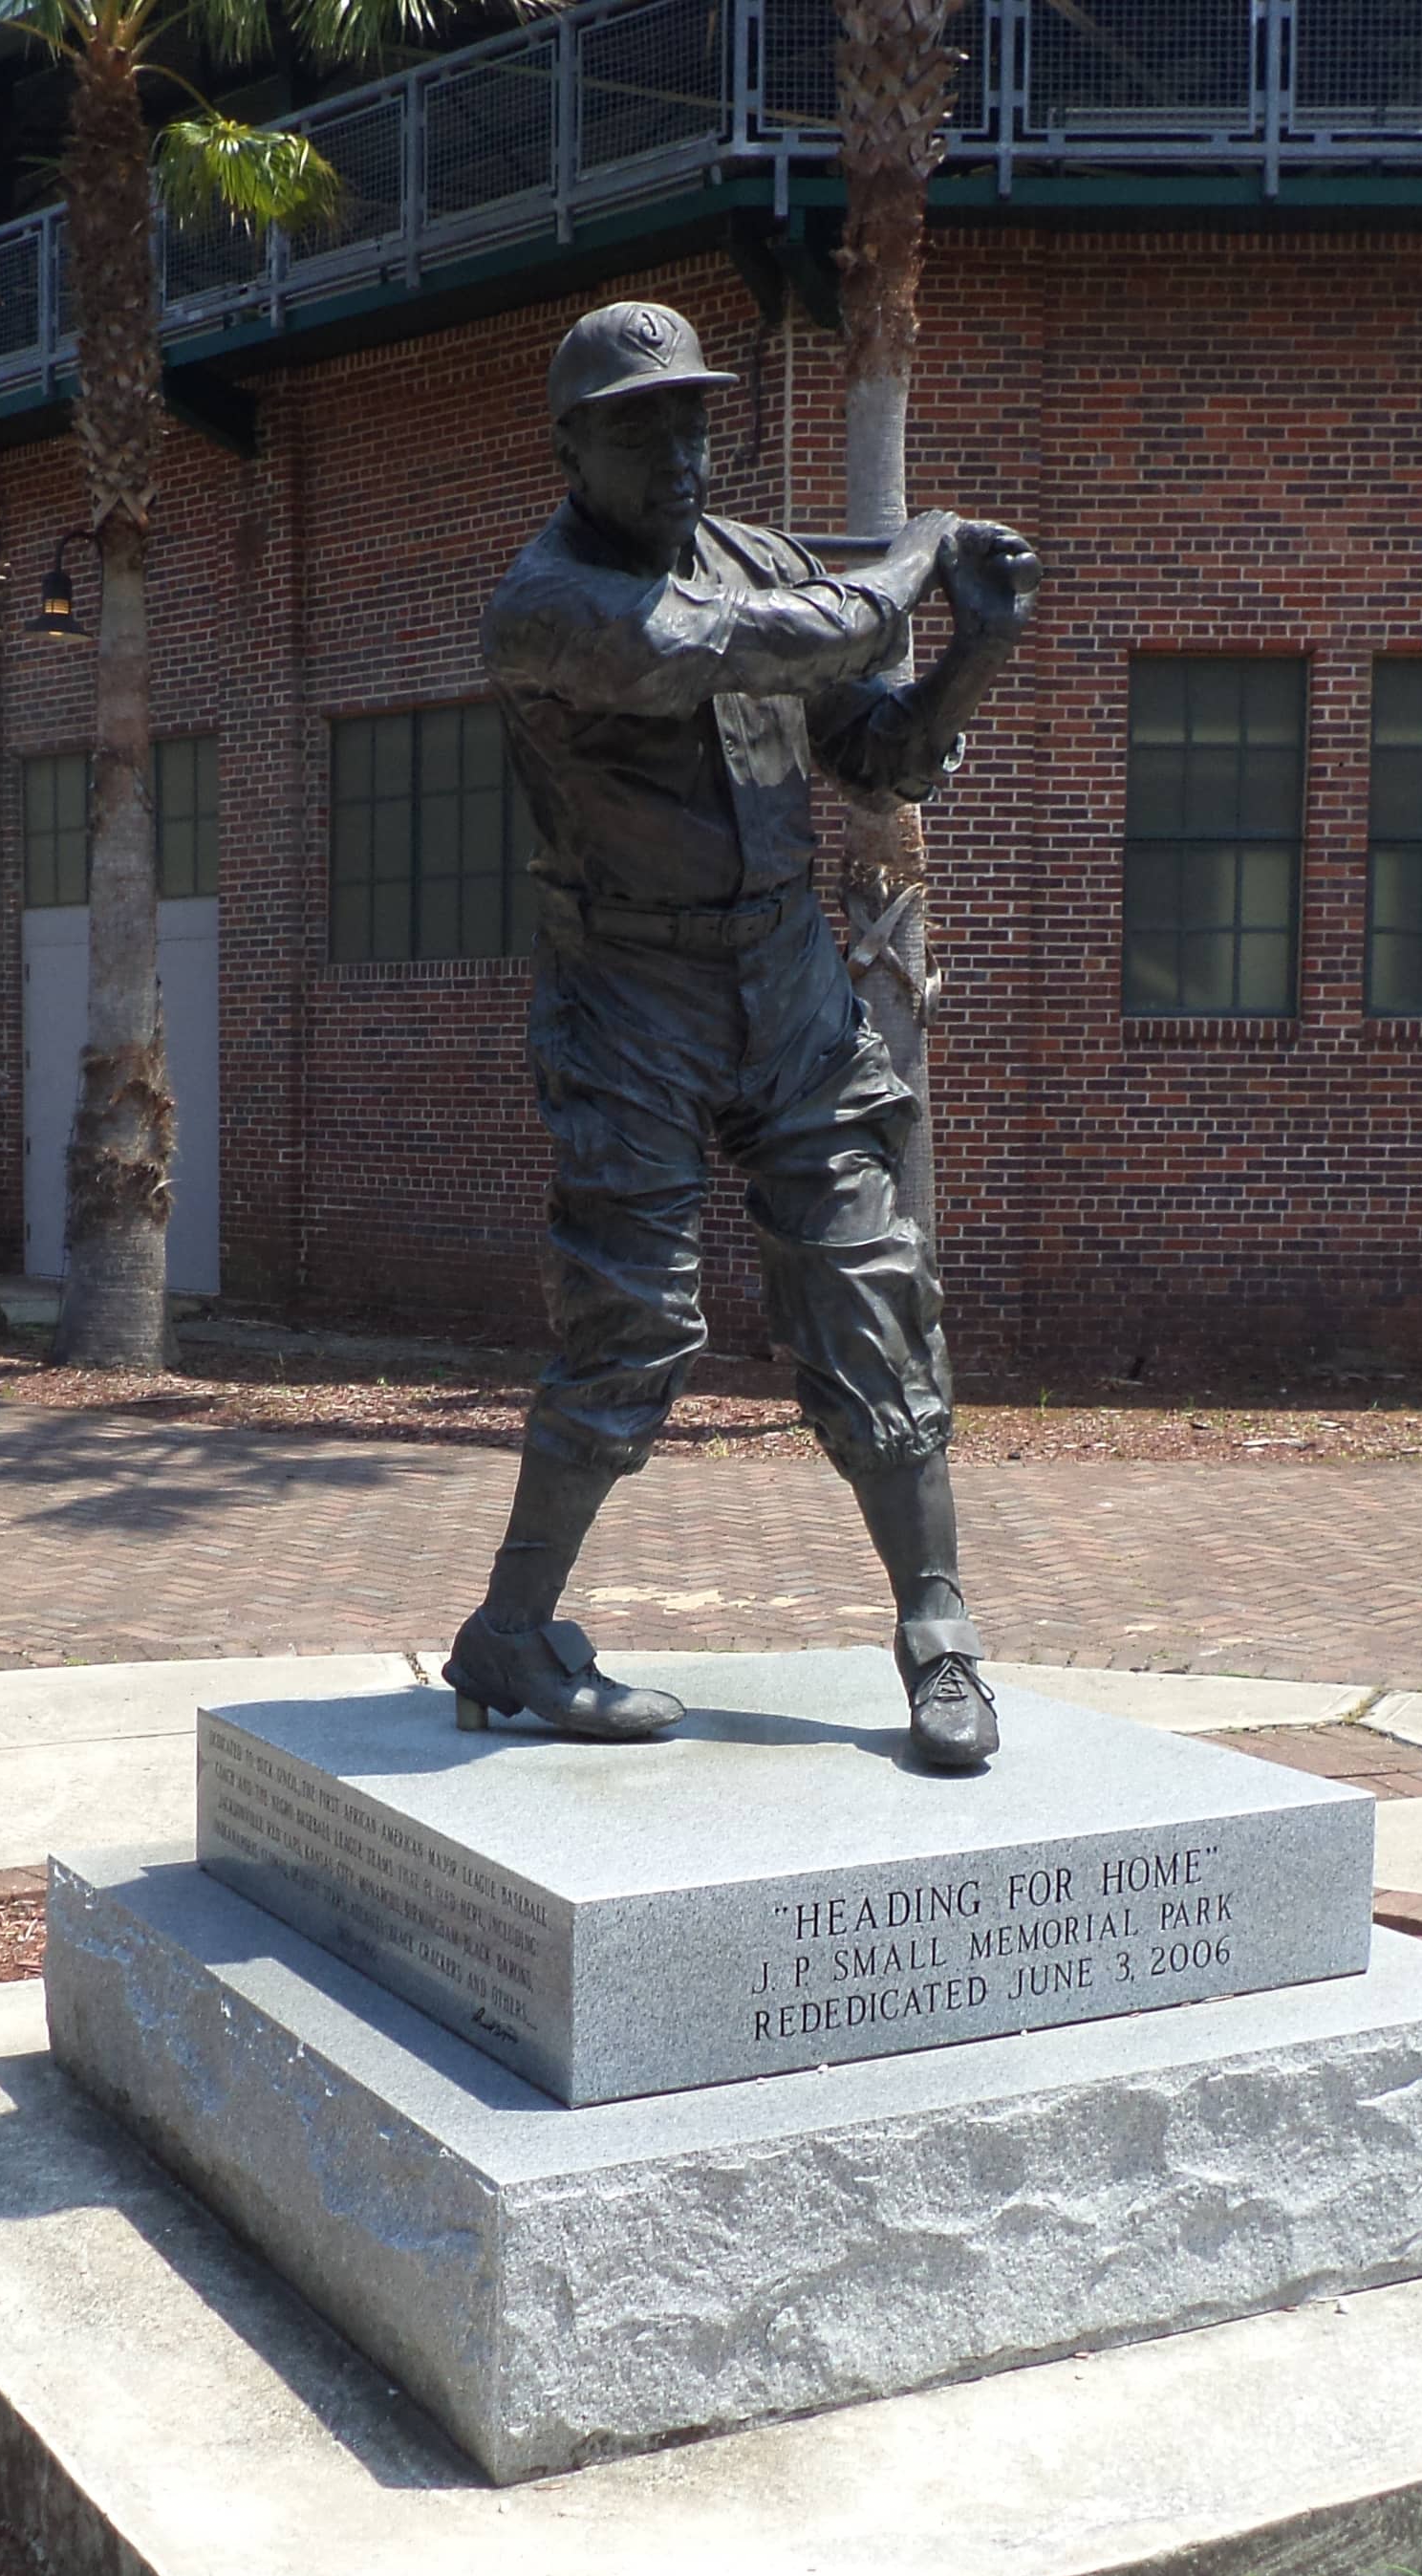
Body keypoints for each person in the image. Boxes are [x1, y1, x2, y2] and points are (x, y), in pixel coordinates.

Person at [444, 299, 1042, 1770]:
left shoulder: (762, 562)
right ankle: (512, 1637)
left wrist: (975, 650)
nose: (682, 449)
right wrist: (919, 552)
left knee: (870, 1295)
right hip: (628, 999)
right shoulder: (550, 601)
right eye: (642, 425)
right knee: (632, 1325)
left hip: (790, 991)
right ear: (572, 442)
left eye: (696, 417)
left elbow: (876, 750)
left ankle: (941, 1636)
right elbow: (739, 645)